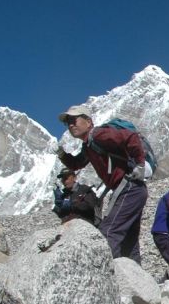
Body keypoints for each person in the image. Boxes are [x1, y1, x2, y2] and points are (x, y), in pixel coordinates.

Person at [56, 105, 149, 263]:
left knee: (109, 231)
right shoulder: (89, 145)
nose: (71, 125)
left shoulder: (98, 135)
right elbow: (77, 164)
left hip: (129, 188)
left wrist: (140, 164)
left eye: (74, 120)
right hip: (130, 190)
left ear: (88, 121)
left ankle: (106, 277)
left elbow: (130, 137)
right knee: (128, 239)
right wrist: (62, 154)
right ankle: (136, 281)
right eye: (68, 123)